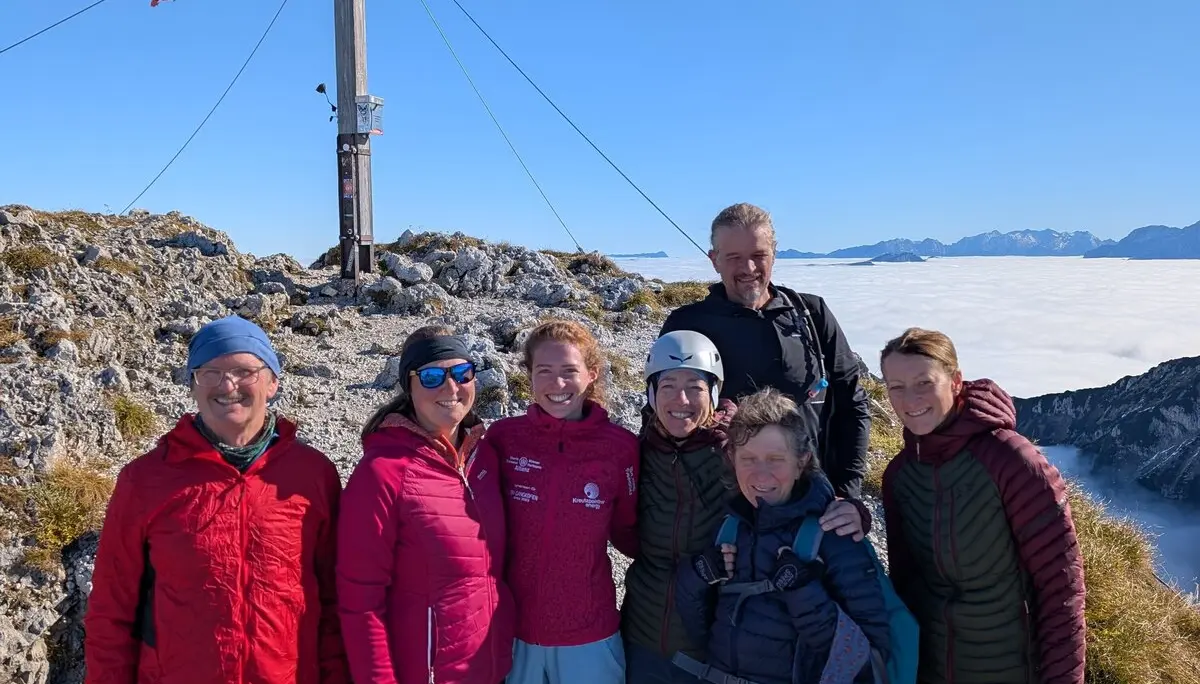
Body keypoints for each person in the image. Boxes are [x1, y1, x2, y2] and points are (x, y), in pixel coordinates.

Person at [84, 315, 349, 684]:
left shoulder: (313, 475)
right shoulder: (144, 480)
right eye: (210, 372)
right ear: (192, 384)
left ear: (272, 382)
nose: (228, 385)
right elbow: (111, 610)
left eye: (245, 371)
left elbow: (335, 603)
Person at [621, 331, 871, 684]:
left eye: (694, 386)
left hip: (710, 651)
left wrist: (849, 507)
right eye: (667, 386)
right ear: (651, 393)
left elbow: (794, 483)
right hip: (641, 639)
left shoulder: (735, 451)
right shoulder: (636, 454)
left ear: (713, 392)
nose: (681, 399)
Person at [879, 327, 1086, 684]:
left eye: (924, 383)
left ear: (956, 381)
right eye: (896, 387)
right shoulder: (899, 476)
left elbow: (1061, 589)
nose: (909, 400)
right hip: (931, 671)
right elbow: (906, 587)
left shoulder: (1012, 460)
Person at [673, 387, 891, 684]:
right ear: (732, 459)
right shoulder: (730, 527)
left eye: (775, 459)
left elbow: (869, 661)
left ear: (801, 461)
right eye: (748, 458)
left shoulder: (834, 532)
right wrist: (697, 576)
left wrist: (804, 593)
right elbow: (700, 630)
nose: (761, 476)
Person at [336, 325, 515, 684]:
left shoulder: (485, 458)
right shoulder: (383, 472)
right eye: (432, 376)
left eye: (462, 373)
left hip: (494, 667)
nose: (451, 388)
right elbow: (360, 602)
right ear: (409, 386)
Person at [659, 202, 871, 501]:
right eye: (734, 257)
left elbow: (852, 404)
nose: (748, 269)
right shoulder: (687, 324)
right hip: (717, 508)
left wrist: (847, 494)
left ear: (774, 253)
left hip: (811, 500)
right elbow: (659, 413)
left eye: (758, 255)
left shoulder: (812, 314)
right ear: (714, 259)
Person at [482, 319, 639, 684]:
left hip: (589, 634)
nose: (557, 384)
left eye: (570, 371)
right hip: (513, 632)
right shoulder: (503, 438)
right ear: (529, 376)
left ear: (592, 375)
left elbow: (631, 535)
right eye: (545, 371)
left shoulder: (620, 448)